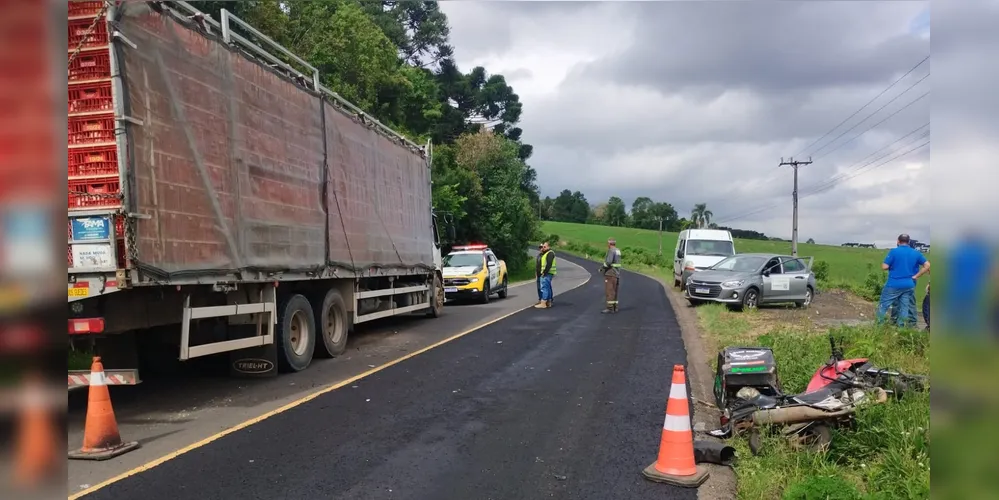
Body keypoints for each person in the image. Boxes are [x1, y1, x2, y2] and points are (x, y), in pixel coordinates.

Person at [877, 234, 930, 328]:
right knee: (905, 306)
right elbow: (927, 265)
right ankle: (901, 327)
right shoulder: (916, 253)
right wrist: (917, 276)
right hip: (909, 283)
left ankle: (879, 325)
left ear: (898, 241)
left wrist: (892, 266)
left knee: (884, 304)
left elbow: (884, 266)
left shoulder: (894, 252)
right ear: (908, 242)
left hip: (894, 283)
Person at [598, 238, 622, 313]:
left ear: (609, 244)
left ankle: (609, 308)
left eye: (607, 243)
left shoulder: (611, 251)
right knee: (615, 290)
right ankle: (615, 307)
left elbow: (608, 262)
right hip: (617, 273)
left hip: (610, 272)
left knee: (609, 290)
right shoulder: (618, 250)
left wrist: (602, 268)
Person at [535, 242, 556, 309]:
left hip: (547, 273)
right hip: (547, 273)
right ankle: (548, 301)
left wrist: (544, 272)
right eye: (542, 247)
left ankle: (543, 302)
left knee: (544, 287)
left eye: (544, 247)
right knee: (547, 287)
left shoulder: (550, 253)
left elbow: (549, 264)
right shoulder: (545, 254)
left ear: (548, 247)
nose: (543, 248)